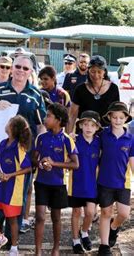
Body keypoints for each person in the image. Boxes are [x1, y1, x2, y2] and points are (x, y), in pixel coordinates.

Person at [0, 56, 47, 240]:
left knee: (19, 194)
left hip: (24, 155)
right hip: (0, 151)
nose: (21, 70)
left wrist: (39, 149)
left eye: (25, 68)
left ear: (31, 72)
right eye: (18, 66)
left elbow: (40, 124)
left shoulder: (35, 95)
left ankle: (12, 238)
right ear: (12, 68)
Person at [33, 103, 79, 256]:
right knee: (39, 216)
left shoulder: (67, 140)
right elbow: (34, 160)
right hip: (41, 183)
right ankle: (38, 250)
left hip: (58, 184)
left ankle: (56, 248)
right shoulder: (41, 138)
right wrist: (40, 163)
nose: (45, 119)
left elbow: (75, 164)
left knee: (56, 217)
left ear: (58, 120)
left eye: (48, 116)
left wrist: (54, 164)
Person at [0, 115, 32, 255]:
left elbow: (28, 168)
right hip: (1, 186)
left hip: (13, 189)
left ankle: (14, 248)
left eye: (9, 123)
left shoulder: (19, 148)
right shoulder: (2, 143)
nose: (6, 125)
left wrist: (10, 175)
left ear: (13, 128)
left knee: (12, 220)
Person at [96, 102, 134, 255]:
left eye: (121, 117)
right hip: (105, 181)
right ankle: (104, 246)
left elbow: (132, 161)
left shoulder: (130, 138)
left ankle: (113, 227)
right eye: (114, 117)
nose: (117, 120)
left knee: (124, 213)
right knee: (106, 213)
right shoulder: (103, 135)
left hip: (123, 182)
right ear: (109, 117)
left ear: (126, 118)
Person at [70, 110, 101, 254]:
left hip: (91, 184)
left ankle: (84, 232)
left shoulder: (99, 143)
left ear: (97, 128)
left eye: (92, 125)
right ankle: (75, 240)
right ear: (81, 125)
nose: (89, 128)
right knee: (76, 212)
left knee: (90, 212)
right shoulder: (74, 141)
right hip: (76, 182)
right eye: (86, 124)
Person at [67, 55, 120, 133]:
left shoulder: (113, 89)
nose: (96, 75)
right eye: (93, 71)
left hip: (105, 134)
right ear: (88, 71)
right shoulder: (80, 89)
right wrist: (69, 138)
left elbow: (116, 114)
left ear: (104, 72)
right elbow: (72, 116)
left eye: (99, 72)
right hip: (84, 135)